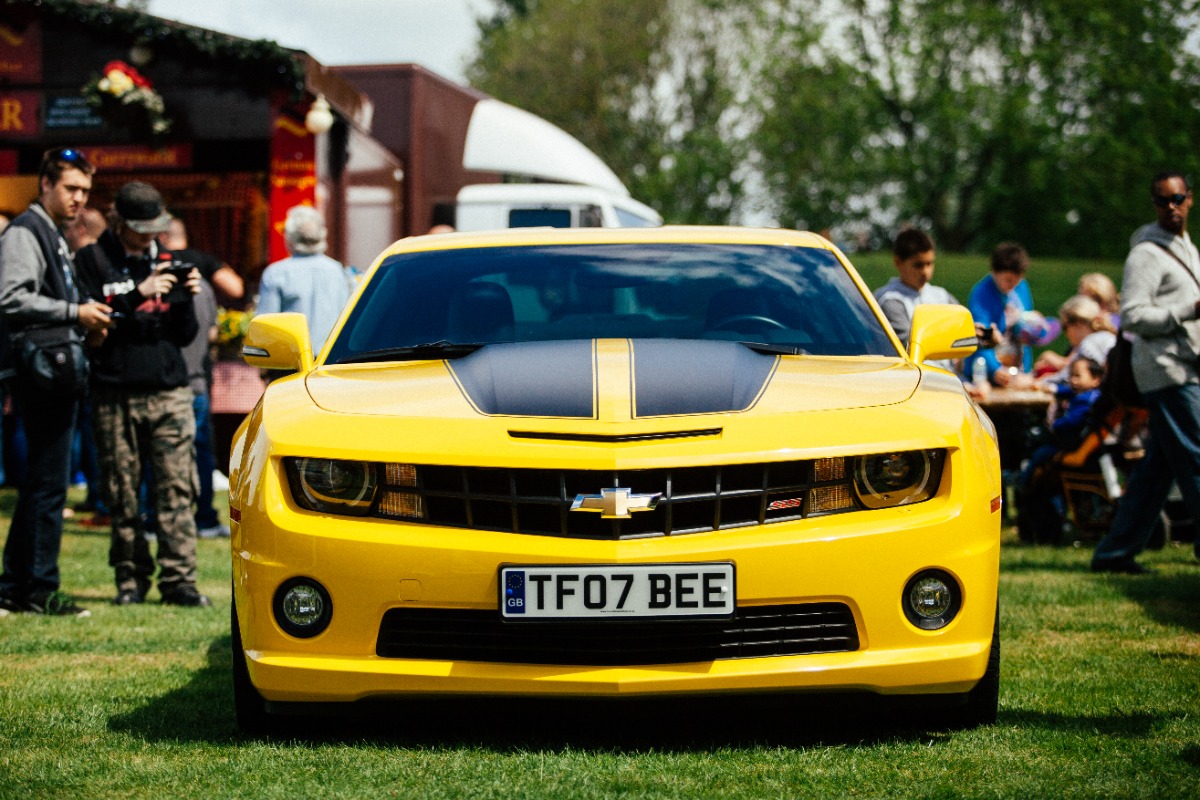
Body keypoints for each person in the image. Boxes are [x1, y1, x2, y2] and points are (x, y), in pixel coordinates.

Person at [73, 181, 210, 606]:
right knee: (122, 491)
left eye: (156, 228)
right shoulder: (93, 260)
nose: (151, 237)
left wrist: (186, 299)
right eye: (142, 229)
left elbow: (184, 335)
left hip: (169, 390)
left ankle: (180, 581)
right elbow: (92, 322)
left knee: (176, 489)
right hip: (115, 392)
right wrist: (139, 294)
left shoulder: (170, 259)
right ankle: (130, 581)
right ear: (120, 223)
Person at [0, 148, 112, 617]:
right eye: (70, 189)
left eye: (84, 191)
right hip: (40, 373)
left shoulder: (53, 232)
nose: (79, 200)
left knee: (43, 485)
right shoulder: (27, 231)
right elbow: (10, 297)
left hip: (53, 369)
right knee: (48, 486)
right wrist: (75, 313)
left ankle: (15, 587)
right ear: (45, 184)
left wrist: (90, 320)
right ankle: (40, 587)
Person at [1092, 171, 1200, 573]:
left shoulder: (1187, 248)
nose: (1170, 207)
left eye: (1177, 199)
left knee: (1159, 468)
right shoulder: (1145, 255)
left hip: (1188, 365)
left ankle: (1114, 553)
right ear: (1154, 204)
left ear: (1189, 199)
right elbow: (1133, 316)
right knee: (1196, 456)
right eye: (1162, 200)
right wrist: (1187, 312)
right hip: (1165, 370)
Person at [1017, 357, 1106, 544]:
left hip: (1069, 447)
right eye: (1071, 375)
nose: (1073, 380)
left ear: (1096, 379)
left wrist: (1054, 424)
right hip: (1080, 448)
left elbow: (1070, 423)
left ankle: (1024, 483)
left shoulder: (1085, 402)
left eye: (1078, 376)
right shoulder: (1091, 395)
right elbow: (1066, 391)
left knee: (1039, 455)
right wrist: (1054, 388)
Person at [257, 205, 352, 349]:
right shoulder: (339, 271)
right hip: (332, 362)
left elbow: (265, 330)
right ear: (322, 235)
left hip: (291, 363)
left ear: (289, 238)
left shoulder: (276, 273)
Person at [966, 242, 1036, 387]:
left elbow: (1025, 325)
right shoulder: (981, 293)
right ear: (994, 272)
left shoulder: (1022, 287)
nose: (1013, 286)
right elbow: (982, 336)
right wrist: (995, 369)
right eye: (1008, 280)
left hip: (1017, 364)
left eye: (1017, 280)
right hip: (987, 368)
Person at [874, 229, 960, 347]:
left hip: (944, 366)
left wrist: (980, 338)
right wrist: (954, 337)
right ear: (898, 262)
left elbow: (964, 330)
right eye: (918, 265)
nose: (925, 272)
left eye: (929, 263)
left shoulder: (940, 295)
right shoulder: (890, 300)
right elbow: (911, 345)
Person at [157, 215, 245, 305]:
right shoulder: (201, 259)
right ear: (185, 235)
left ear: (162, 236)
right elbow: (236, 290)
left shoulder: (156, 261)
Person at [1034, 295, 1117, 390]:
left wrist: (1037, 382)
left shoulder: (1089, 343)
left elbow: (1068, 377)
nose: (1066, 334)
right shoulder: (1107, 337)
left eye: (1065, 327)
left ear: (1078, 323)